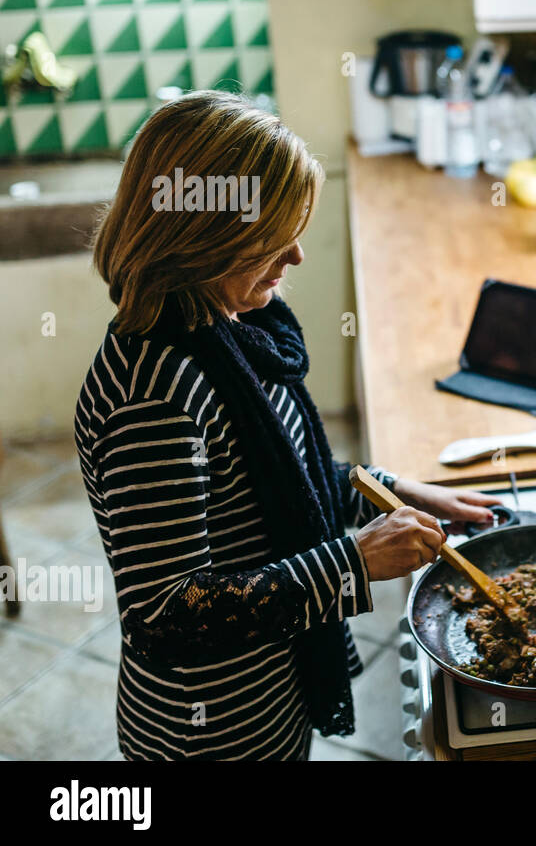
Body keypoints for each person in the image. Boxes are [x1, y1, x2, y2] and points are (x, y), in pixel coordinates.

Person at [76, 90, 499, 760]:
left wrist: (395, 491)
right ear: (204, 235)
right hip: (210, 734)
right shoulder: (154, 395)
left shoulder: (228, 329)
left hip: (270, 697)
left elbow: (275, 482)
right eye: (273, 235)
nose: (297, 255)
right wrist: (355, 559)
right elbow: (168, 615)